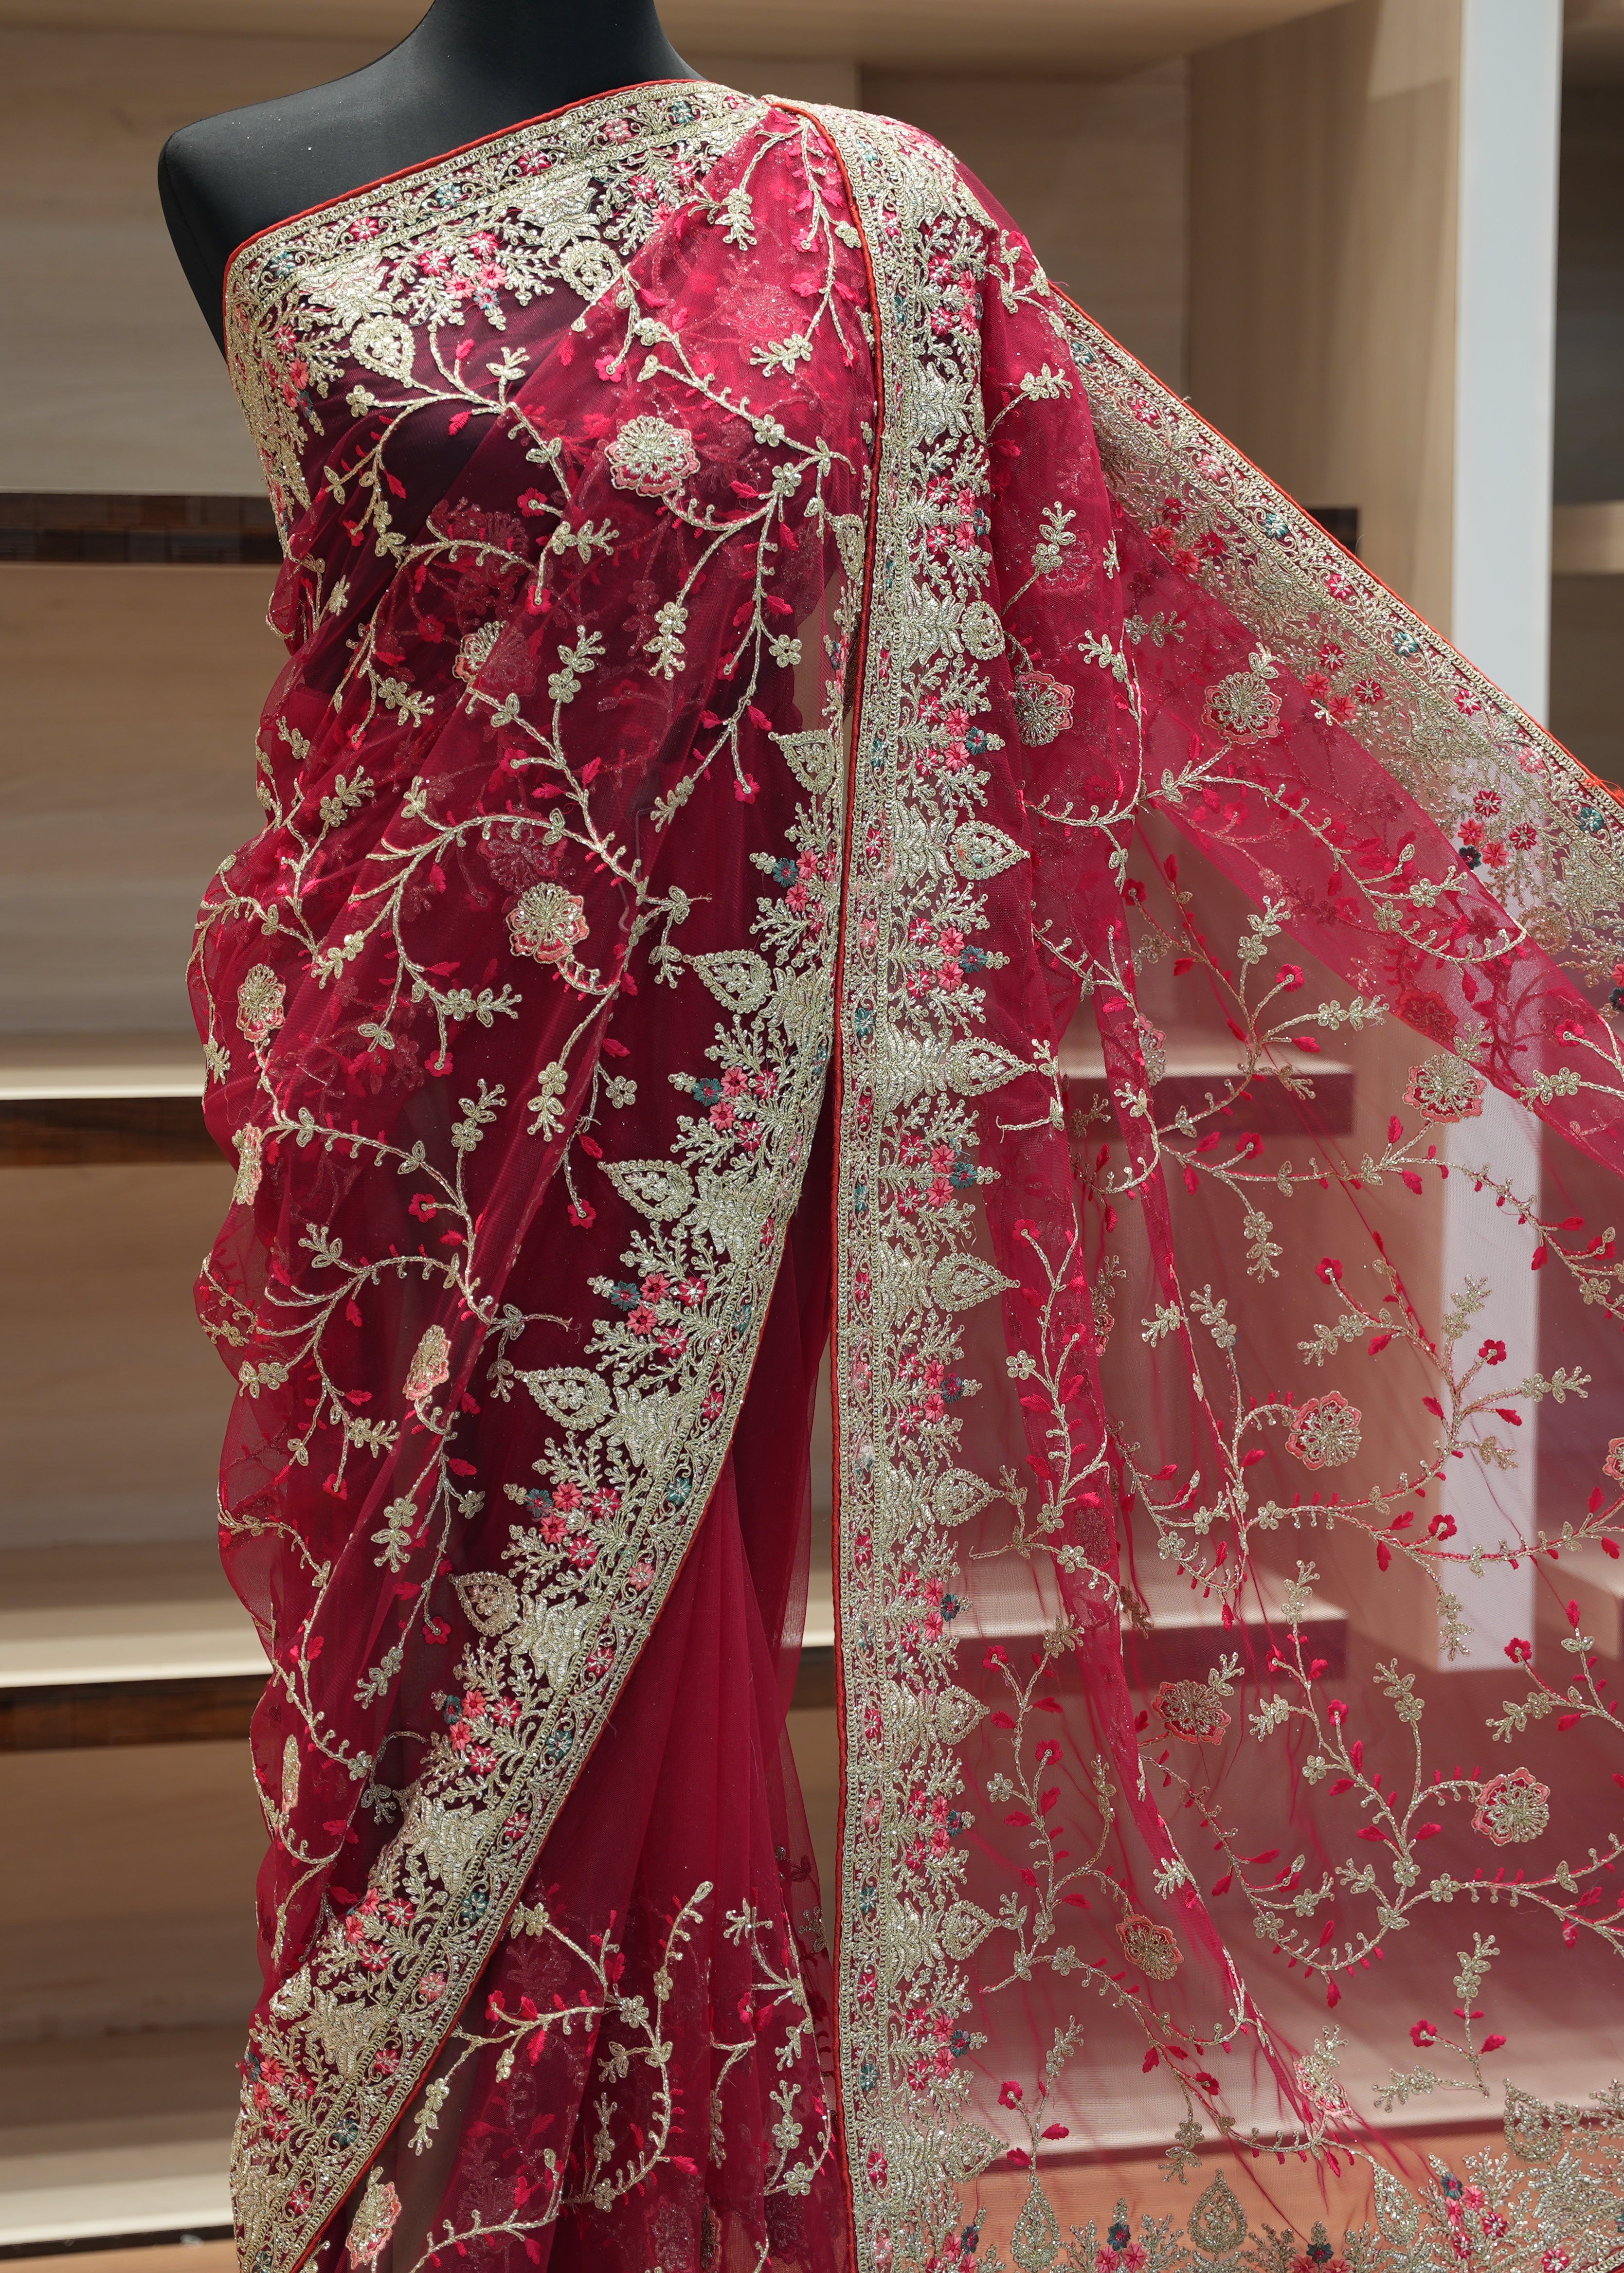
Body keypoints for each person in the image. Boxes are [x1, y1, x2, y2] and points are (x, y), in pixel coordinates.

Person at [170, 18, 1624, 2272]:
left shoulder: (869, 213)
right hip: (383, 1127)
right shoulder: (236, 181)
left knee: (646, 1699)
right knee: (392, 1734)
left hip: (689, 1152)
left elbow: (1187, 607)